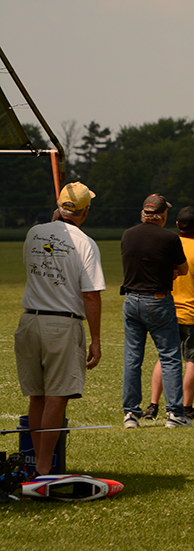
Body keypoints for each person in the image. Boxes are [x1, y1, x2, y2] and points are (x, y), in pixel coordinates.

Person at [14, 181, 104, 475]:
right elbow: (90, 294)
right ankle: (43, 469)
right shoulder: (86, 243)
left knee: (37, 397)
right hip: (62, 325)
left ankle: (36, 467)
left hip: (29, 321)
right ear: (85, 211)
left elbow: (34, 261)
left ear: (60, 205)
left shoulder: (33, 233)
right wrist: (96, 339)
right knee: (56, 397)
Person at [120, 193, 194, 428]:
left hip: (131, 300)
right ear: (163, 215)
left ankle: (130, 415)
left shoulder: (127, 235)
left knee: (133, 359)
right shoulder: (169, 239)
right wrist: (168, 271)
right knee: (170, 358)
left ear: (144, 213)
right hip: (158, 301)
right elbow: (183, 269)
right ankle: (175, 415)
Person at [142, 206, 194, 421]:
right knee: (192, 361)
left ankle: (153, 404)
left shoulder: (167, 245)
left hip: (167, 310)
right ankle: (186, 407)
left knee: (164, 358)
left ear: (177, 225)